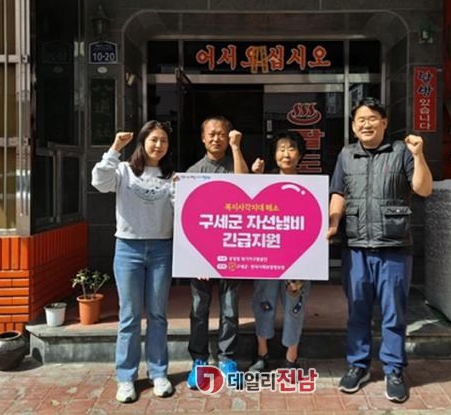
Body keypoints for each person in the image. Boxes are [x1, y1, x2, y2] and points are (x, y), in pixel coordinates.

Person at [326, 97, 433, 402]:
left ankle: (394, 369)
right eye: (360, 119)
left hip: (393, 247)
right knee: (358, 310)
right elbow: (339, 192)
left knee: (393, 312)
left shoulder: (401, 152)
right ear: (353, 126)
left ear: (384, 123)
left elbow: (424, 188)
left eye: (373, 118)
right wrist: (333, 222)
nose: (366, 124)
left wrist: (419, 155)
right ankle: (357, 365)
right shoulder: (346, 155)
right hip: (356, 246)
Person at [91, 121, 176, 403]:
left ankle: (158, 373)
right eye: (154, 139)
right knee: (129, 316)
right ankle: (126, 378)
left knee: (158, 315)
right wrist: (115, 148)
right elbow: (99, 182)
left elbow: (184, 210)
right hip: (128, 248)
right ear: (142, 141)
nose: (158, 145)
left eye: (164, 140)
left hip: (162, 249)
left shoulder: (172, 176)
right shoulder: (124, 170)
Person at [186, 116, 249, 388]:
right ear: (202, 138)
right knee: (199, 310)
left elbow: (246, 186)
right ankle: (199, 360)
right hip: (201, 256)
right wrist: (197, 258)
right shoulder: (193, 172)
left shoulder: (235, 165)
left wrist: (236, 148)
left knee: (230, 309)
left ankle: (227, 359)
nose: (216, 138)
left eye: (222, 134)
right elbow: (188, 219)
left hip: (231, 253)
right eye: (211, 134)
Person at [249, 131, 312, 373]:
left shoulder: (311, 187)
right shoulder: (263, 181)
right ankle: (262, 353)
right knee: (263, 300)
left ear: (300, 155)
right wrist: (254, 179)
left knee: (295, 304)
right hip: (266, 255)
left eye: (292, 148)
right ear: (274, 155)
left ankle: (291, 358)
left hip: (298, 257)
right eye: (281, 149)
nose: (286, 154)